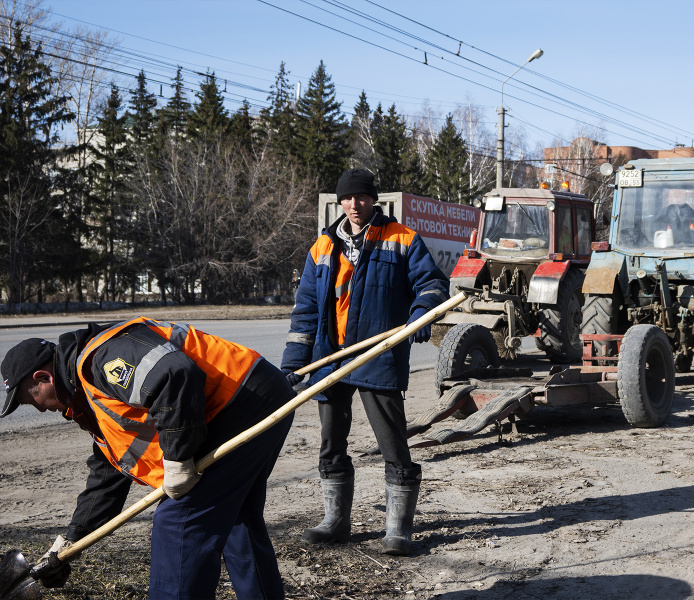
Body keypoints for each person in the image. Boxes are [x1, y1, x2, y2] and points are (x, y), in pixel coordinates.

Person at [0, 318, 294, 598]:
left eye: (29, 399)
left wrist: (178, 459)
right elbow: (109, 472)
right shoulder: (84, 394)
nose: (37, 409)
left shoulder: (101, 359)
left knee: (179, 523)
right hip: (254, 394)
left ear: (43, 377)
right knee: (234, 519)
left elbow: (176, 374)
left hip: (240, 401)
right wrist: (72, 540)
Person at [282, 168, 449, 556]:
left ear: (375, 199)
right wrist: (295, 360)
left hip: (379, 355)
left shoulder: (401, 239)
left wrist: (421, 313)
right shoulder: (322, 247)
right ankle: (335, 521)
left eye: (361, 197)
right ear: (339, 201)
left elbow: (433, 285)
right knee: (331, 442)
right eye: (347, 198)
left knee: (393, 443)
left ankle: (398, 529)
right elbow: (305, 309)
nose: (354, 205)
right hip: (330, 359)